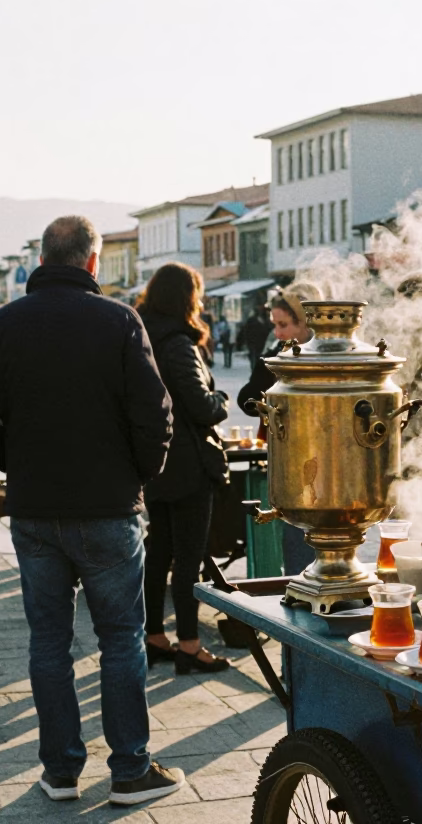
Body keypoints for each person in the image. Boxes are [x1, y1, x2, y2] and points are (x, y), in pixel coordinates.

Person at [0, 216, 184, 805]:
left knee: (49, 644)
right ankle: (130, 768)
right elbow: (155, 414)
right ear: (91, 261)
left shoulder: (1, 325)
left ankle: (60, 770)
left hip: (35, 509)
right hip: (108, 506)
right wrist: (139, 473)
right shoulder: (117, 321)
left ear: (43, 258)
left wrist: (12, 461)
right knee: (121, 638)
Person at [136, 263, 231, 674]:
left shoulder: (141, 335)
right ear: (185, 298)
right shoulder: (177, 343)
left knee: (158, 552)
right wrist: (221, 399)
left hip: (155, 462)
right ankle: (189, 646)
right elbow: (200, 404)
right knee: (188, 558)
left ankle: (154, 636)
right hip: (188, 465)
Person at [239, 283, 320, 575]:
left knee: (320, 543)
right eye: (275, 325)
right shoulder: (279, 354)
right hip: (291, 463)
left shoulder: (324, 356)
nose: (278, 333)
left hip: (323, 464)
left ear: (305, 322)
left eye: (283, 325)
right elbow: (245, 398)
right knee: (296, 541)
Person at [242, 306, 272, 371]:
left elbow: (245, 331)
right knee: (255, 357)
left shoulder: (265, 321)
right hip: (256, 343)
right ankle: (255, 371)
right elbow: (246, 331)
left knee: (256, 357)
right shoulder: (261, 321)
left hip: (257, 343)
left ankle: (255, 371)